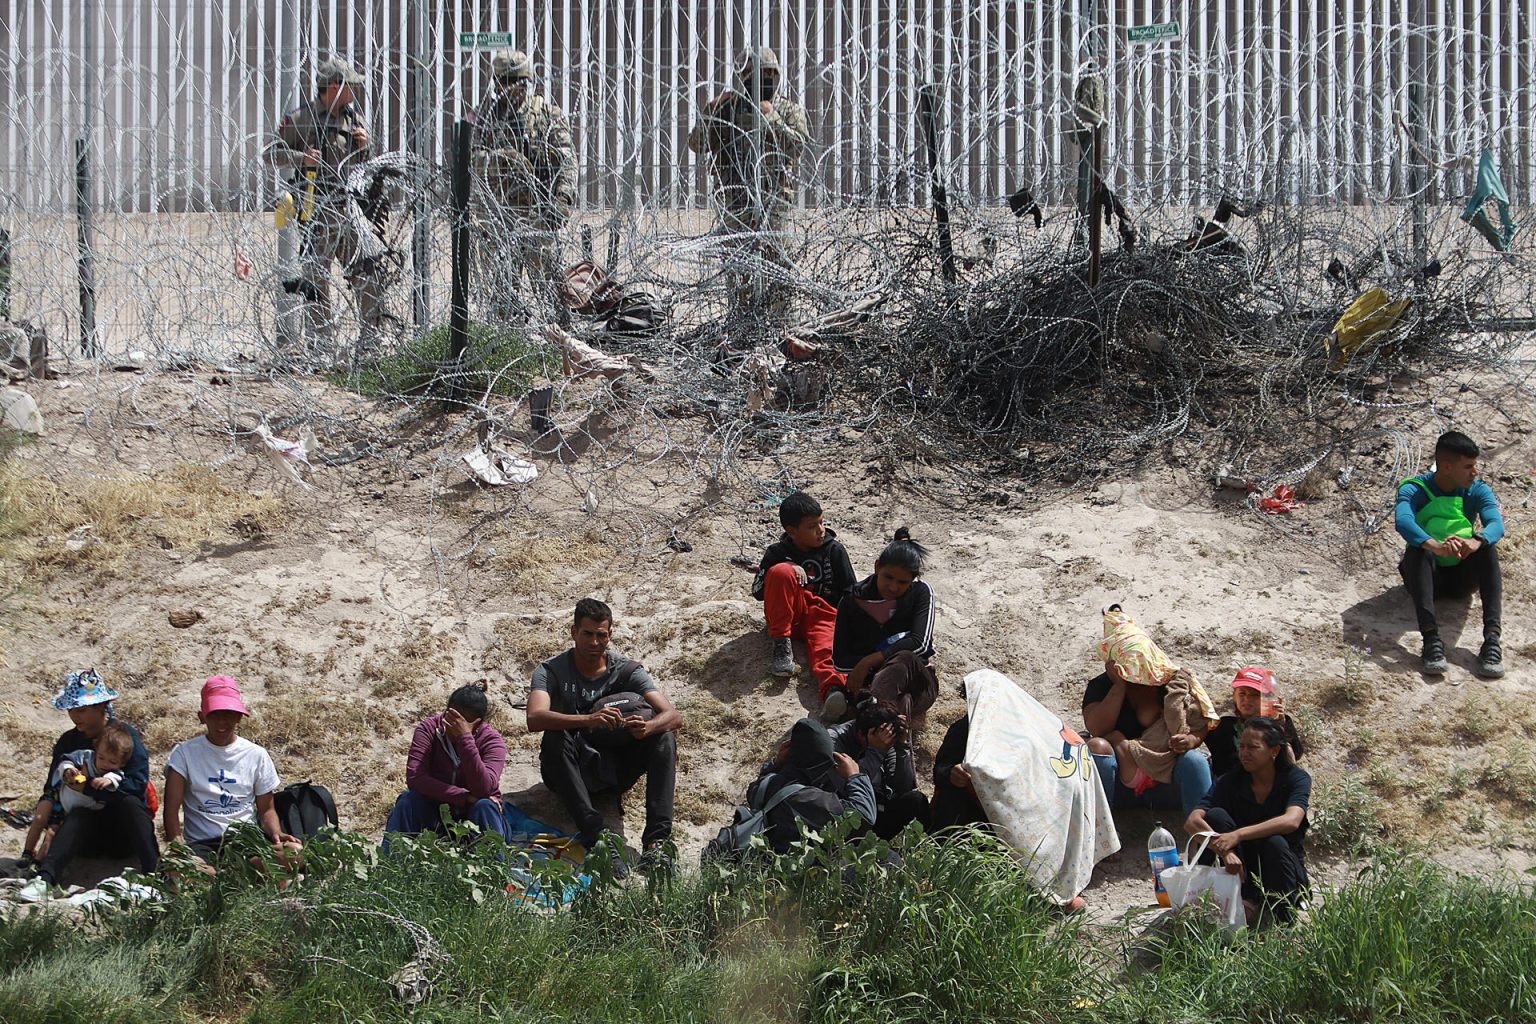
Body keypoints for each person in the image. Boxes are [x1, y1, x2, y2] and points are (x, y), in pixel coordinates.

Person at [527, 599, 682, 863]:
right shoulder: (551, 670)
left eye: (601, 635)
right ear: (574, 632)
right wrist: (588, 719)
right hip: (570, 770)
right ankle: (596, 837)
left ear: (610, 635)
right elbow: (535, 717)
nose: (594, 642)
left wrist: (647, 727)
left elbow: (673, 715)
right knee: (555, 735)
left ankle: (657, 842)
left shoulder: (626, 669)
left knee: (664, 736)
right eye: (587, 634)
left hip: (615, 768)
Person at [268, 55, 394, 355]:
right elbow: (271, 154)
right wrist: (302, 159)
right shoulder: (301, 119)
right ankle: (321, 347)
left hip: (350, 209)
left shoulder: (354, 120)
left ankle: (372, 343)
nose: (355, 91)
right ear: (335, 86)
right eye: (351, 85)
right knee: (316, 279)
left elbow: (367, 169)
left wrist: (365, 148)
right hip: (315, 211)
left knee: (368, 272)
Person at [687, 46, 810, 333]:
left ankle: (784, 335)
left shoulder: (787, 110)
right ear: (745, 78)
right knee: (741, 275)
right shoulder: (727, 108)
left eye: (771, 75)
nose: (766, 81)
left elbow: (798, 147)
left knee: (779, 273)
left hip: (775, 204)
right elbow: (697, 145)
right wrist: (709, 114)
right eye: (759, 75)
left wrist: (771, 118)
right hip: (736, 203)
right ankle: (744, 336)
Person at [18, 670, 157, 902]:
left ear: (102, 706)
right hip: (84, 836)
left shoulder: (125, 736)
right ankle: (45, 880)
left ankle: (156, 875)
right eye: (71, 710)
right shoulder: (68, 742)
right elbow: (51, 786)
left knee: (132, 804)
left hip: (124, 833)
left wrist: (89, 789)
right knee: (79, 815)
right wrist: (48, 803)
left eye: (81, 710)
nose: (75, 717)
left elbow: (136, 785)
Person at [470, 48, 576, 324]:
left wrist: (562, 200)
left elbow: (566, 161)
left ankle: (560, 346)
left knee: (551, 293)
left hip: (537, 213)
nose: (507, 89)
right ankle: (508, 348)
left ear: (525, 83)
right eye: (502, 83)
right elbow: (470, 161)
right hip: (498, 215)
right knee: (502, 294)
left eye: (514, 83)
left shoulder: (547, 116)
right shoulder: (485, 119)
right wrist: (503, 160)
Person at [1395, 430, 1506, 677]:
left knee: (1488, 549)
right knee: (1416, 551)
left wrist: (1476, 541)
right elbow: (1403, 521)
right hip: (1426, 576)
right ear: (1446, 467)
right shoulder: (1415, 489)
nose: (1474, 472)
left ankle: (1491, 641)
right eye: (1468, 467)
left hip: (1460, 579)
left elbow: (1496, 524)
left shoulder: (1477, 491)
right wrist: (1433, 544)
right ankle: (1432, 640)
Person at [1083, 609, 1213, 817]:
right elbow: (1097, 728)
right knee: (1097, 747)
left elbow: (1200, 720)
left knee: (1195, 761)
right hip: (1121, 782)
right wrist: (1119, 686)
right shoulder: (1101, 686)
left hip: (1164, 773)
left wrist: (1190, 740)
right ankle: (1101, 830)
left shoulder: (1165, 681)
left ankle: (1204, 833)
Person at [163, 676, 301, 869]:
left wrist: (276, 833)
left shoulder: (256, 754)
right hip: (202, 845)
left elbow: (266, 810)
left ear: (238, 717)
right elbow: (171, 808)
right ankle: (236, 874)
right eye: (214, 714)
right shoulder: (184, 754)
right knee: (183, 870)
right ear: (202, 717)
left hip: (244, 841)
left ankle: (228, 874)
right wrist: (177, 844)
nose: (222, 722)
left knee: (294, 853)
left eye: (228, 714)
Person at [1186, 716, 1311, 925]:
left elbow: (1291, 820)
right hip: (1243, 866)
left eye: (1253, 747)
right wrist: (1224, 849)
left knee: (1276, 843)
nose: (1244, 753)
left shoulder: (1295, 778)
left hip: (1282, 866)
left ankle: (1283, 915)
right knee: (1215, 816)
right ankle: (1242, 898)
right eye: (1242, 746)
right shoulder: (1232, 780)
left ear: (1274, 750)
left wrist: (1237, 835)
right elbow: (1192, 821)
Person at [383, 682, 512, 850]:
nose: (452, 726)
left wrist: (465, 739)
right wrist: (464, 797)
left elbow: (483, 790)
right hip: (436, 817)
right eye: (450, 718)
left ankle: (493, 870)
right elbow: (416, 778)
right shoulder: (428, 730)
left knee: (485, 806)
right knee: (408, 801)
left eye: (461, 722)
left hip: (474, 820)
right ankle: (390, 865)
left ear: (478, 724)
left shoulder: (492, 742)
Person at [828, 527, 938, 723]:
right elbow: (840, 660)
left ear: (912, 581)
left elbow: (919, 643)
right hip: (870, 687)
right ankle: (887, 732)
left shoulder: (921, 593)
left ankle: (869, 720)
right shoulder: (852, 600)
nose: (894, 587)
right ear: (877, 567)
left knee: (904, 659)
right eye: (888, 577)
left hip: (916, 682)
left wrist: (868, 661)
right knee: (899, 704)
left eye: (902, 582)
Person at [750, 490, 856, 689]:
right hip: (791, 618)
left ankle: (833, 692)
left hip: (824, 618)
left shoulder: (834, 550)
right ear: (792, 531)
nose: (821, 530)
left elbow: (850, 591)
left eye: (822, 522)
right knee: (781, 572)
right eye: (812, 526)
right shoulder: (778, 552)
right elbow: (758, 592)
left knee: (826, 652)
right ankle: (782, 646)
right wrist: (787, 566)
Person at [755, 718, 876, 853]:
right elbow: (864, 816)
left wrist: (776, 764)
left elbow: (758, 785)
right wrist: (855, 776)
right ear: (816, 767)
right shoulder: (805, 798)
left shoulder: (766, 782)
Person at [824, 703, 928, 838]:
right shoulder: (833, 742)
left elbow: (903, 787)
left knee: (916, 800)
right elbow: (846, 787)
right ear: (861, 734)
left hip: (876, 804)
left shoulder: (884, 737)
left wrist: (902, 746)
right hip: (845, 812)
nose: (886, 745)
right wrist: (877, 751)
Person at [1204, 667, 1304, 779]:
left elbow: (1296, 754)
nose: (1247, 699)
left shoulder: (1279, 721)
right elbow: (1224, 765)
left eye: (1255, 695)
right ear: (1234, 697)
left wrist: (1280, 728)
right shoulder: (1224, 724)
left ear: (1268, 698)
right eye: (1242, 693)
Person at [930, 714, 988, 832]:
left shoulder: (1021, 730)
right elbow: (939, 771)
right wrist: (951, 773)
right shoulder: (965, 727)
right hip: (965, 809)